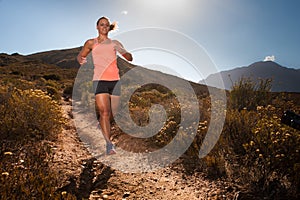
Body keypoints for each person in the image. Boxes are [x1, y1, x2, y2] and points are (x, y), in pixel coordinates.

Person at [77, 16, 133, 155]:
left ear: (109, 28)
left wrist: (126, 53)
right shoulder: (91, 42)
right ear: (97, 27)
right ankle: (109, 144)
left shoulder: (114, 43)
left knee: (113, 112)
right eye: (102, 25)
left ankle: (102, 122)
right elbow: (80, 55)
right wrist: (81, 60)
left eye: (106, 25)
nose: (104, 27)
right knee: (105, 112)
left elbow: (129, 57)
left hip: (115, 80)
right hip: (99, 80)